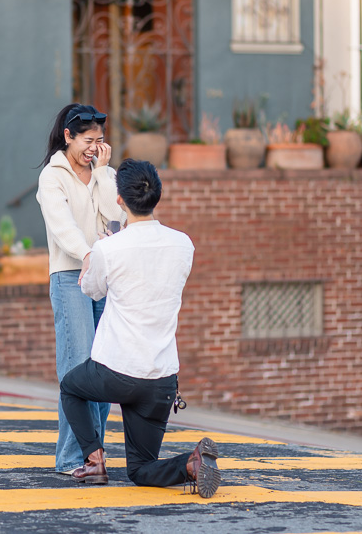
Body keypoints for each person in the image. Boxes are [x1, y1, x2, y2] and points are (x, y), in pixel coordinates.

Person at [59, 159, 221, 498]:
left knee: (71, 387)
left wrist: (98, 252)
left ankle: (93, 460)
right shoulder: (183, 244)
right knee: (141, 469)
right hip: (160, 378)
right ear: (157, 197)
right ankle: (191, 464)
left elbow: (91, 289)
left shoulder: (109, 247)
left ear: (119, 200)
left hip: (115, 371)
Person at [36, 103, 125, 475]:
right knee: (77, 370)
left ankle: (95, 455)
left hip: (103, 278)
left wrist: (103, 174)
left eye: (100, 140)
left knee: (102, 369)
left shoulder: (105, 173)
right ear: (68, 136)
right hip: (71, 276)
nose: (95, 147)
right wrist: (88, 252)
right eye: (88, 140)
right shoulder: (52, 177)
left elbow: (116, 217)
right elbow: (62, 226)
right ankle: (75, 458)